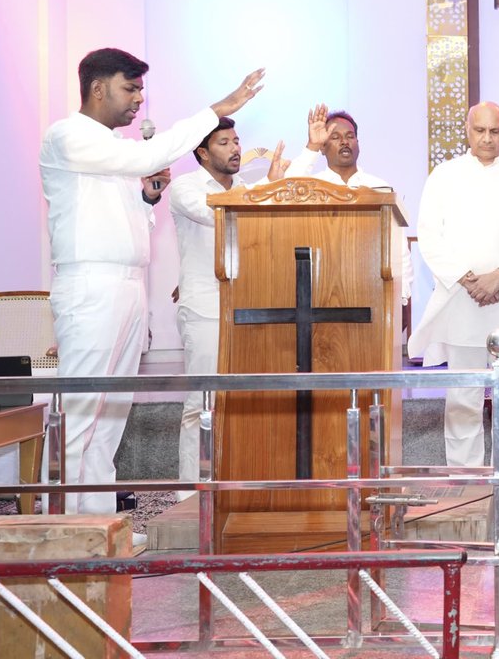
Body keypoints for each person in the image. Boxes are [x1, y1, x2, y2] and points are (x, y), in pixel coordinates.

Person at [39, 47, 262, 518]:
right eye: (131, 87)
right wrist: (215, 111)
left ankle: (98, 524)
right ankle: (57, 526)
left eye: (141, 89)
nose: (139, 98)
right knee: (80, 412)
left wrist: (145, 198)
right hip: (91, 285)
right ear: (98, 88)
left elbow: (124, 213)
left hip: (126, 285)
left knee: (111, 414)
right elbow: (146, 153)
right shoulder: (68, 135)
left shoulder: (112, 150)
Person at [409, 102, 499, 504]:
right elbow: (429, 235)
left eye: (496, 131)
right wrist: (469, 279)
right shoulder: (444, 176)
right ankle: (466, 478)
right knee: (464, 392)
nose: (488, 139)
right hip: (462, 298)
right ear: (467, 131)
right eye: (480, 131)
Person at [166, 118, 287, 502]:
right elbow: (217, 213)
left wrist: (276, 182)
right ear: (202, 153)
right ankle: (190, 499)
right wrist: (266, 189)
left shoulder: (246, 190)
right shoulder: (186, 188)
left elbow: (260, 213)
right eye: (224, 142)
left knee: (242, 402)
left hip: (246, 309)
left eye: (237, 141)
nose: (235, 148)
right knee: (202, 403)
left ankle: (234, 489)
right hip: (204, 309)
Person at [285, 106, 413, 305]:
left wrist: (400, 297)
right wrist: (311, 147)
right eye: (335, 137)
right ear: (323, 147)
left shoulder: (380, 189)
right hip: (320, 297)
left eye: (350, 136)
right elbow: (286, 190)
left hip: (372, 296)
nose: (344, 142)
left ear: (358, 143)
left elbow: (399, 250)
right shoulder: (310, 188)